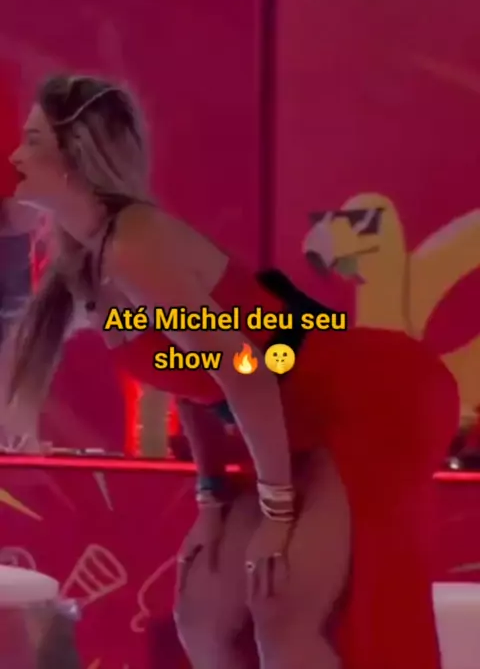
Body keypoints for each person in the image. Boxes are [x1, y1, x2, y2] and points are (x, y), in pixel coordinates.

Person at [4, 74, 459, 669]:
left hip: (368, 396)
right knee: (204, 612)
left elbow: (245, 370)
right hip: (290, 413)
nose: (16, 155)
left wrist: (275, 511)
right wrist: (213, 498)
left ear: (76, 157)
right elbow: (191, 373)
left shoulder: (135, 248)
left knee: (284, 602)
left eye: (34, 140)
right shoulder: (87, 262)